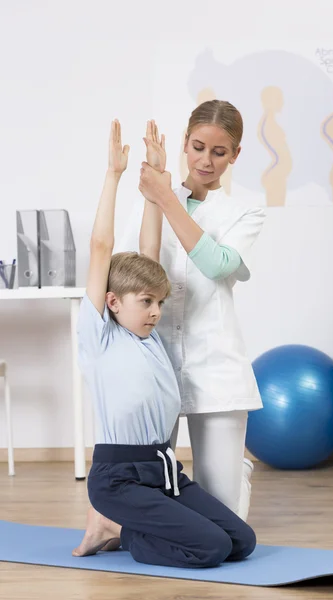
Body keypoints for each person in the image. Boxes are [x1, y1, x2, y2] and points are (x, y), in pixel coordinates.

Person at [72, 119, 256, 568]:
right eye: (145, 302)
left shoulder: (150, 336)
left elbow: (150, 257)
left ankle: (129, 525)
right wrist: (114, 176)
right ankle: (119, 528)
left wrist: (158, 188)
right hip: (119, 477)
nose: (155, 311)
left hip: (164, 470)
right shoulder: (101, 336)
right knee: (210, 549)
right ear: (112, 301)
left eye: (158, 302)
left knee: (241, 541)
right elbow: (101, 247)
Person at [121, 100, 266, 522]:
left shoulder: (245, 212)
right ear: (185, 143)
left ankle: (233, 473)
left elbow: (218, 264)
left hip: (215, 365)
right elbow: (132, 267)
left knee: (223, 517)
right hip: (156, 359)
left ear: (235, 155)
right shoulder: (148, 202)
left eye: (219, 152)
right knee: (151, 491)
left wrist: (167, 197)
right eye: (198, 147)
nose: (206, 160)